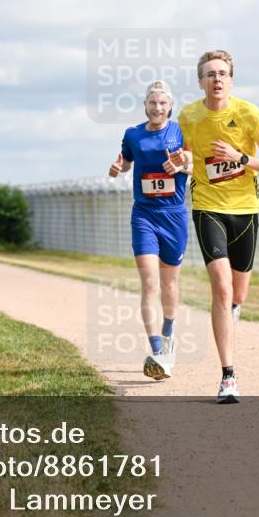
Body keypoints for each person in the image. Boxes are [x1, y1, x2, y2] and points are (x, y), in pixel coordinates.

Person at [174, 50, 259, 403]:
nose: (216, 79)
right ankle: (228, 377)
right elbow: (186, 155)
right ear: (200, 81)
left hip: (245, 211)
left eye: (222, 73)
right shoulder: (189, 116)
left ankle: (233, 309)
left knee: (237, 294)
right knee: (220, 289)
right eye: (209, 74)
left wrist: (239, 158)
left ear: (231, 80)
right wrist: (180, 161)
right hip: (207, 207)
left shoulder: (248, 114)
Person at [109, 80, 191, 381]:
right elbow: (126, 162)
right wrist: (117, 169)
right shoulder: (133, 134)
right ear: (145, 105)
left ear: (170, 106)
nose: (157, 107)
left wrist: (182, 166)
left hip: (174, 215)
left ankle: (168, 335)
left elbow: (193, 164)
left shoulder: (181, 131)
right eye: (152, 103)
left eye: (162, 103)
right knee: (149, 284)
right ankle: (157, 352)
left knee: (170, 286)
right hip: (144, 214)